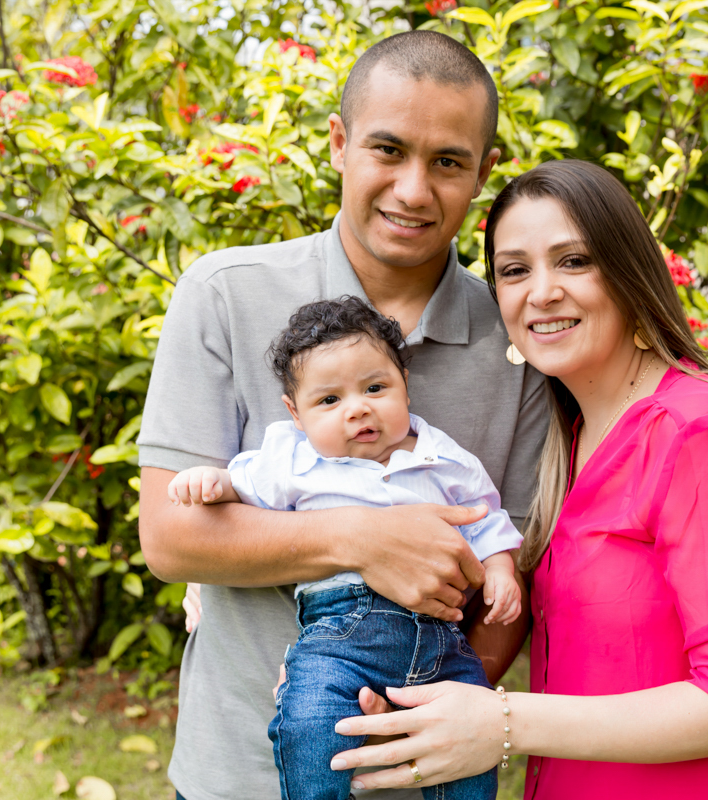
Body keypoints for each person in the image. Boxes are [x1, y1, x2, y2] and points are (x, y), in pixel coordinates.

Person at [137, 30, 547, 800]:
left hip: (426, 770)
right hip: (239, 774)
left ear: (484, 173)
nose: (413, 190)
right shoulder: (223, 294)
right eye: (388, 150)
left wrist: (427, 714)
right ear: (338, 142)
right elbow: (169, 535)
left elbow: (514, 569)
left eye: (448, 162)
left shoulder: (517, 340)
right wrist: (361, 538)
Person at [325, 160, 708, 800]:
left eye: (573, 261)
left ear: (628, 272)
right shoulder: (571, 438)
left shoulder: (697, 430)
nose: (542, 292)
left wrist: (503, 722)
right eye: (514, 270)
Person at [167, 297, 521, 800]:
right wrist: (208, 481)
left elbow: (485, 520)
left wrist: (500, 569)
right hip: (338, 635)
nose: (357, 409)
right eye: (329, 400)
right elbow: (241, 487)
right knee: (309, 720)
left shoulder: (444, 457)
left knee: (469, 742)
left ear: (404, 384)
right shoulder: (294, 461)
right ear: (296, 414)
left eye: (375, 388)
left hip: (442, 641)